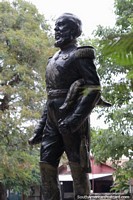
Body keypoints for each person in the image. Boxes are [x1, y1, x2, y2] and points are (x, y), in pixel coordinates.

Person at [28, 13, 101, 200]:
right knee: (46, 163)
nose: (56, 30)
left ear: (73, 30)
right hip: (52, 119)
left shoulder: (80, 55)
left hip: (72, 115)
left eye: (61, 26)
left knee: (77, 165)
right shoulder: (51, 60)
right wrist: (40, 127)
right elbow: (50, 98)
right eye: (55, 26)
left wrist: (75, 120)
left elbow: (93, 89)